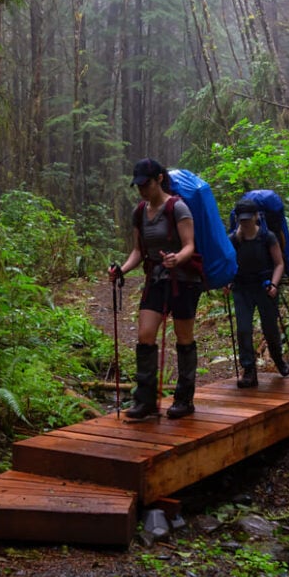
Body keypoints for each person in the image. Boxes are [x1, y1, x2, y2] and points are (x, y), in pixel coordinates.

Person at [109, 158, 203, 420]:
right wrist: (121, 270)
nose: (141, 190)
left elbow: (189, 246)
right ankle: (146, 401)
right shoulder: (139, 212)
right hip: (156, 280)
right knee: (145, 334)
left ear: (159, 179)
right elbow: (138, 251)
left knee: (183, 337)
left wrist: (177, 258)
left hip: (184, 280)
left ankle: (184, 400)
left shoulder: (178, 207)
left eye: (146, 184)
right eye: (138, 185)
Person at [225, 198, 289, 388]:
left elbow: (279, 264)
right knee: (243, 330)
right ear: (237, 219)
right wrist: (226, 281)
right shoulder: (233, 241)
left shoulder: (267, 237)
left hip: (265, 288)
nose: (245, 223)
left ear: (256, 217)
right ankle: (249, 371)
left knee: (270, 328)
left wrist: (275, 284)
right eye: (242, 219)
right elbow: (229, 265)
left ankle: (279, 360)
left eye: (248, 219)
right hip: (242, 288)